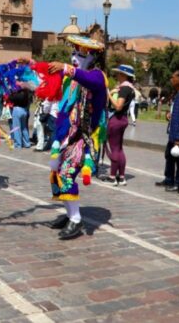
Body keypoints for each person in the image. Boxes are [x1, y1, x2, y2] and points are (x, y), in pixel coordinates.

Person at [46, 35, 107, 240]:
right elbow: (65, 110)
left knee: (67, 174)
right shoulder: (71, 82)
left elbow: (90, 81)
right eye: (72, 52)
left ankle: (76, 220)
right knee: (56, 174)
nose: (74, 56)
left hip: (85, 137)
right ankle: (69, 213)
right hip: (68, 136)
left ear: (92, 57)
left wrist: (66, 68)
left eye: (79, 53)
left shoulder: (97, 76)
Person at [156, 70, 179, 193]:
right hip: (173, 132)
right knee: (169, 156)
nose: (171, 79)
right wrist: (170, 115)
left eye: (173, 77)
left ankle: (178, 183)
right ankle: (169, 179)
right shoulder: (178, 93)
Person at [105, 64, 136, 186]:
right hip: (123, 119)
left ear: (124, 75)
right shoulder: (130, 88)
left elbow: (118, 106)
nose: (117, 75)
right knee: (119, 148)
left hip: (116, 119)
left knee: (114, 149)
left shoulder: (124, 89)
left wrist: (108, 94)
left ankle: (112, 176)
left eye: (118, 73)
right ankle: (121, 177)